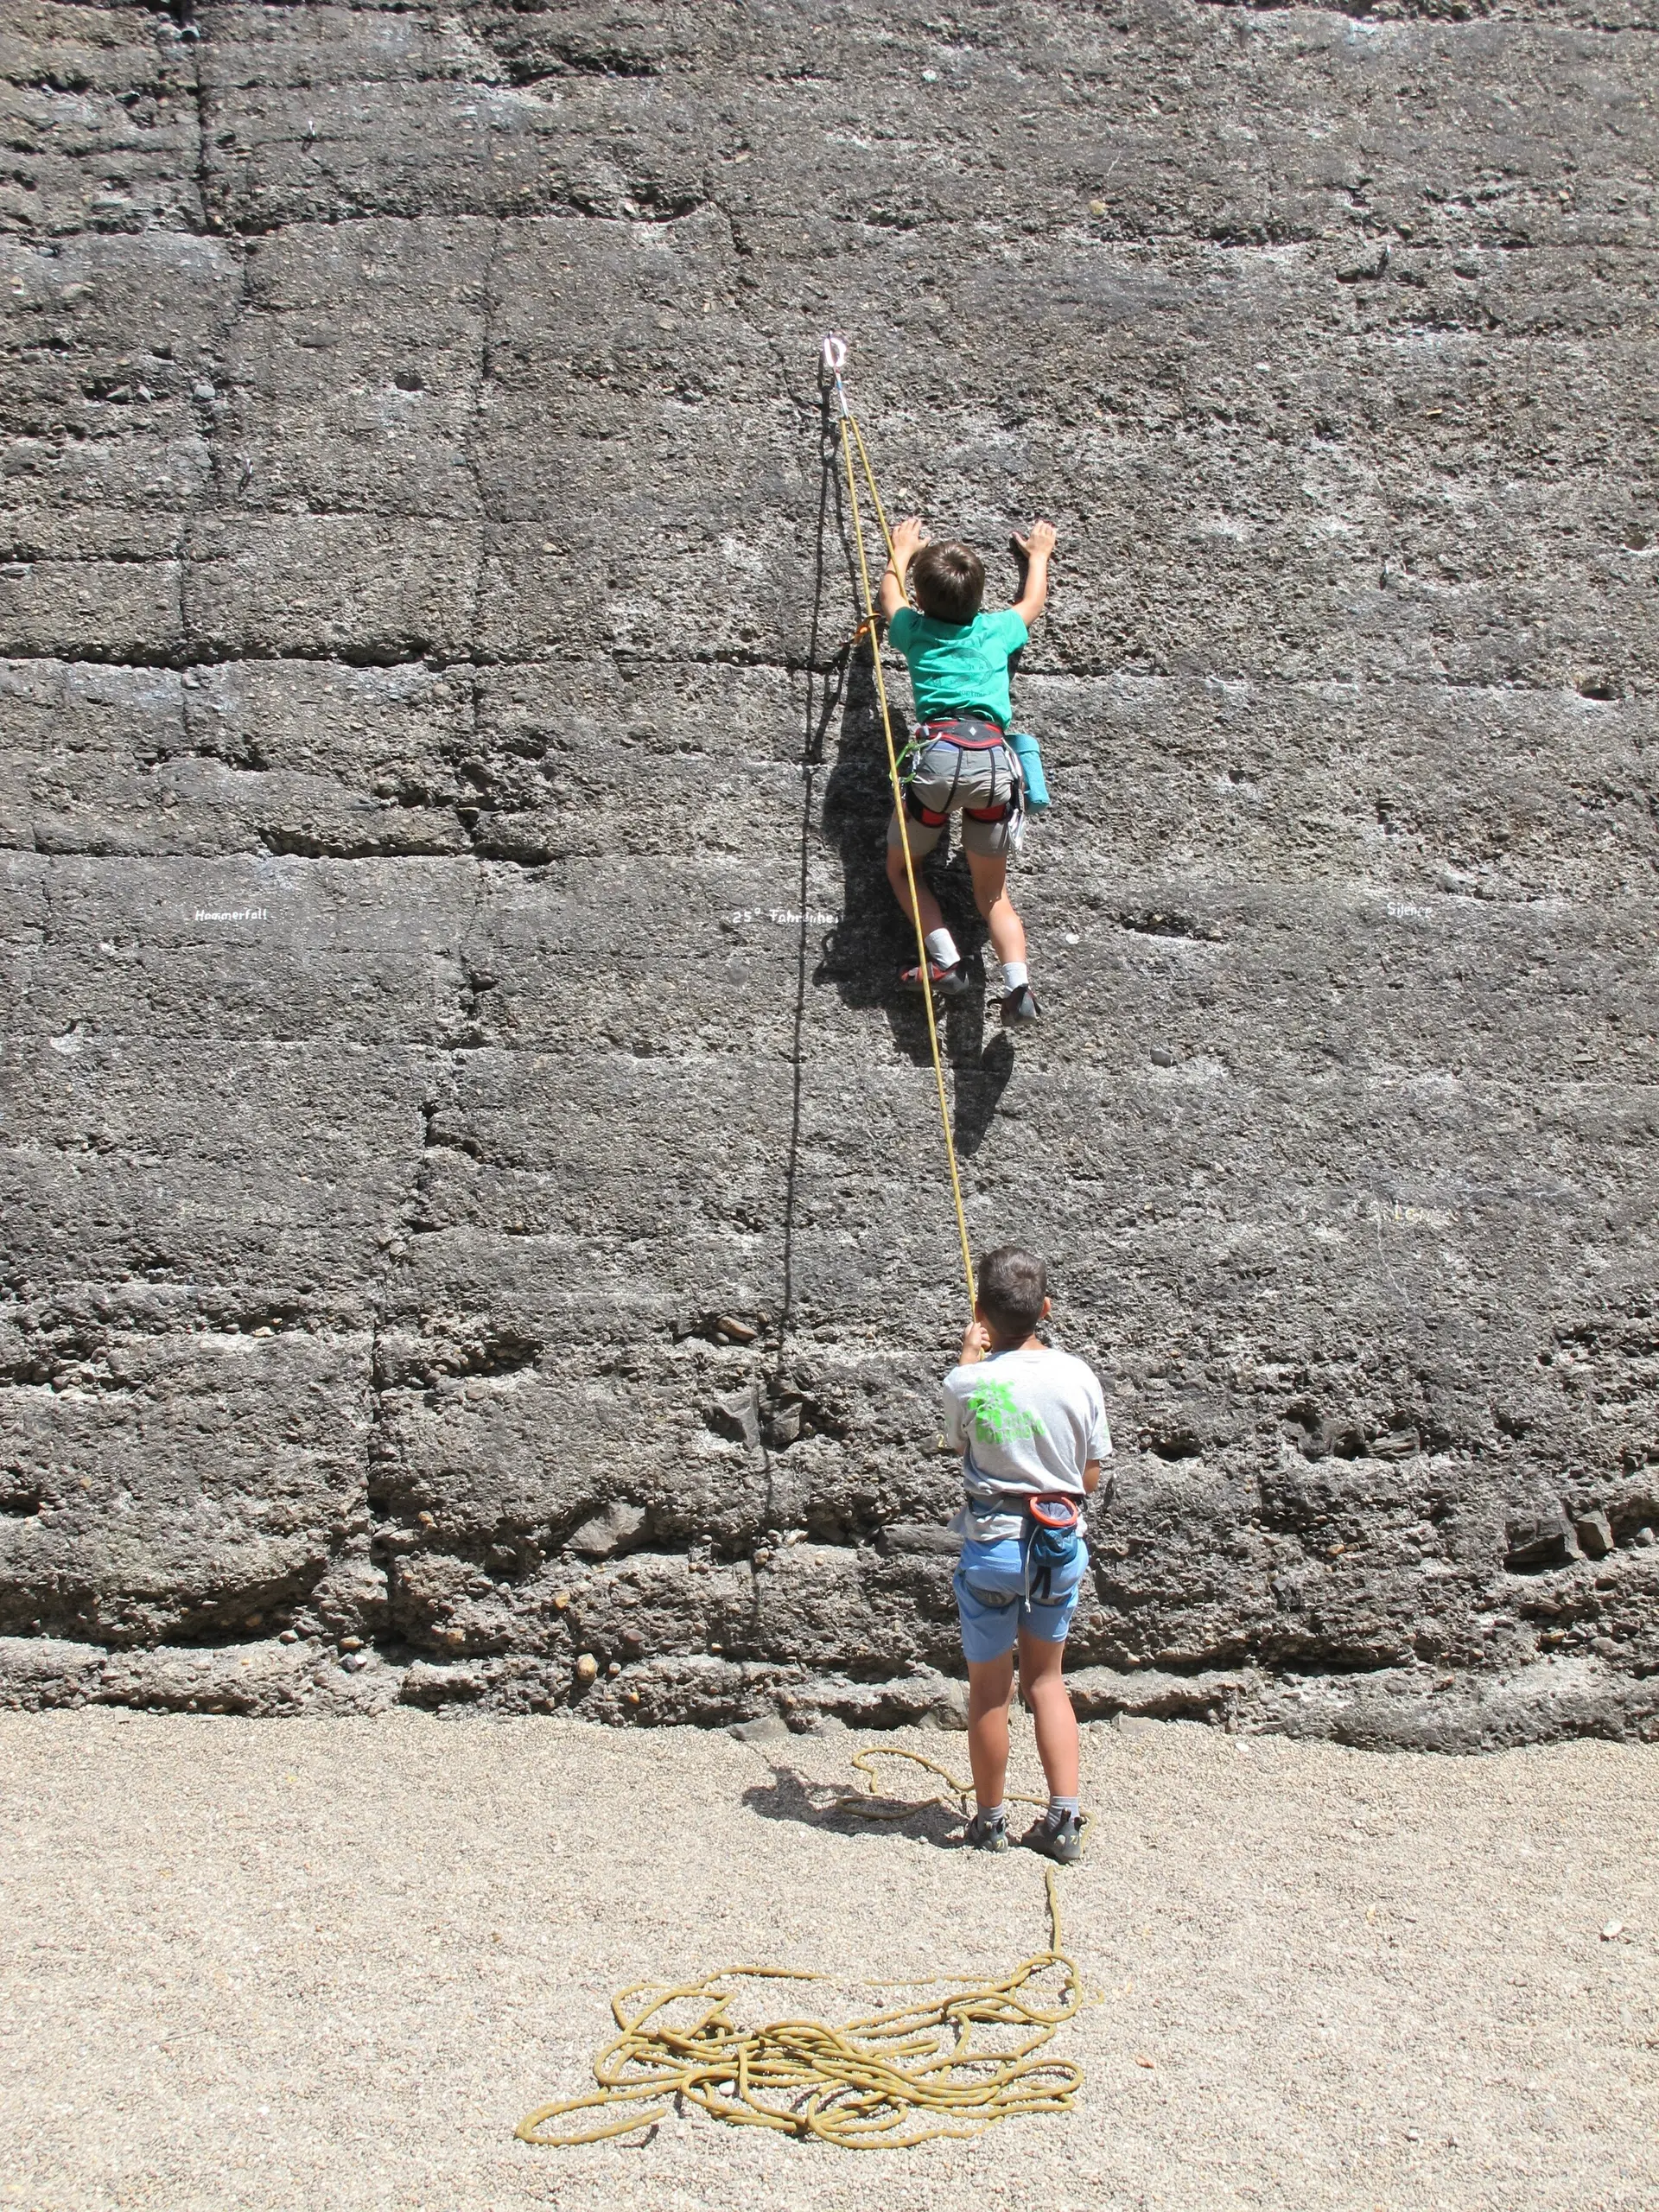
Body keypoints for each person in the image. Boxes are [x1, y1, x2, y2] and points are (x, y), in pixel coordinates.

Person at [940, 1245, 1109, 1863]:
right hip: (1057, 1546)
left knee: (989, 1691)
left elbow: (956, 1446)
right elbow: (1087, 1478)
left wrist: (968, 1359)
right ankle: (1063, 1821)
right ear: (1046, 1308)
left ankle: (989, 1824)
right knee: (1047, 1680)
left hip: (992, 1548)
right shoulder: (1081, 1375)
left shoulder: (968, 1380)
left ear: (980, 1312)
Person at [876, 516, 1057, 1027]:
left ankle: (945, 960)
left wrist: (901, 550)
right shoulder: (998, 629)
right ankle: (1019, 988)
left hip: (937, 760)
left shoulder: (913, 629)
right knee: (992, 894)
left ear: (924, 600)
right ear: (980, 598)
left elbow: (890, 595)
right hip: (994, 766)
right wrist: (1039, 556)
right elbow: (1032, 604)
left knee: (904, 869)